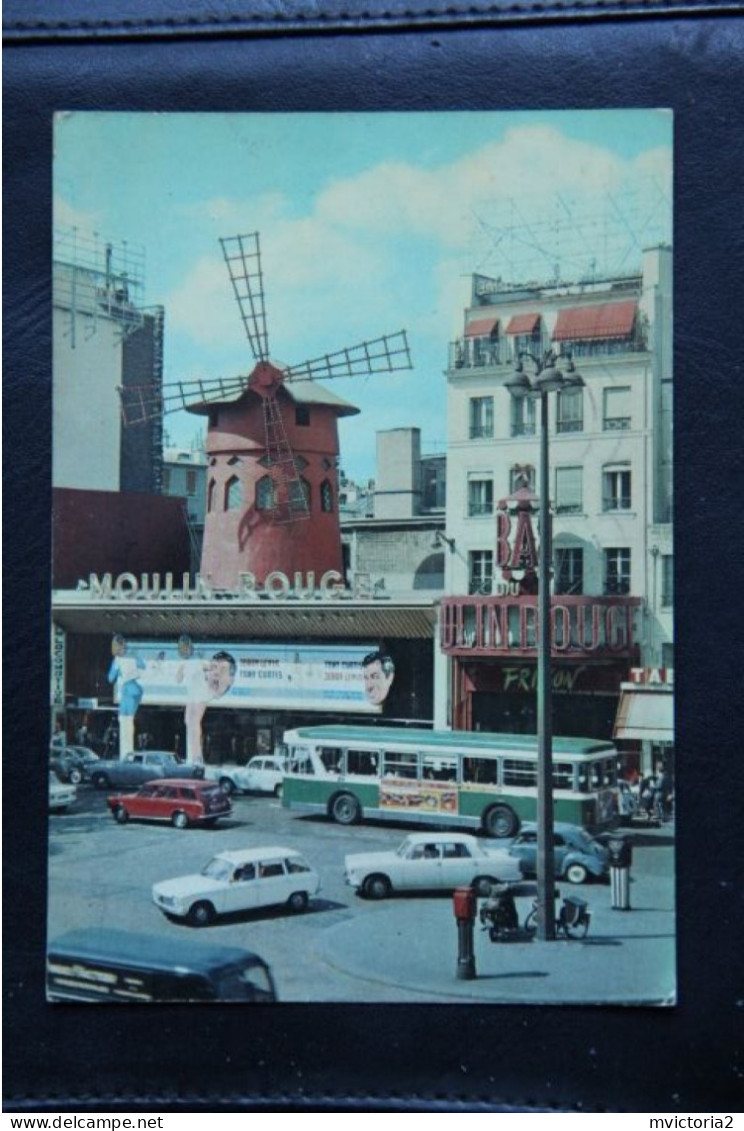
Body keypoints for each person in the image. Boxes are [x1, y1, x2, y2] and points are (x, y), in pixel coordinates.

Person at [177, 637, 237, 764]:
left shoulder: (205, 693)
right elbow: (179, 677)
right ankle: (195, 758)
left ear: (231, 679)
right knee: (189, 721)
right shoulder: (198, 675)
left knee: (192, 721)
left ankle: (196, 758)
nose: (216, 673)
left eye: (223, 670)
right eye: (214, 667)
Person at [107, 634, 146, 758]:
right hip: (137, 690)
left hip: (128, 689)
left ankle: (126, 755)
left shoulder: (118, 660)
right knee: (128, 721)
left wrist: (119, 669)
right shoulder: (135, 655)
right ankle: (128, 754)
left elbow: (110, 678)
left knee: (125, 721)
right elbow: (143, 669)